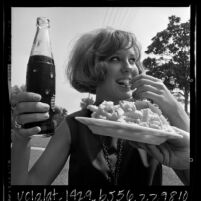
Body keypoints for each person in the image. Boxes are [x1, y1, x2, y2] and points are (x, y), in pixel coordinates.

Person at [11, 27, 190, 186]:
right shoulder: (73, 124)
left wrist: (176, 110)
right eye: (115, 58)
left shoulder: (157, 124)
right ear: (92, 67)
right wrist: (21, 138)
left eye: (133, 59)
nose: (129, 68)